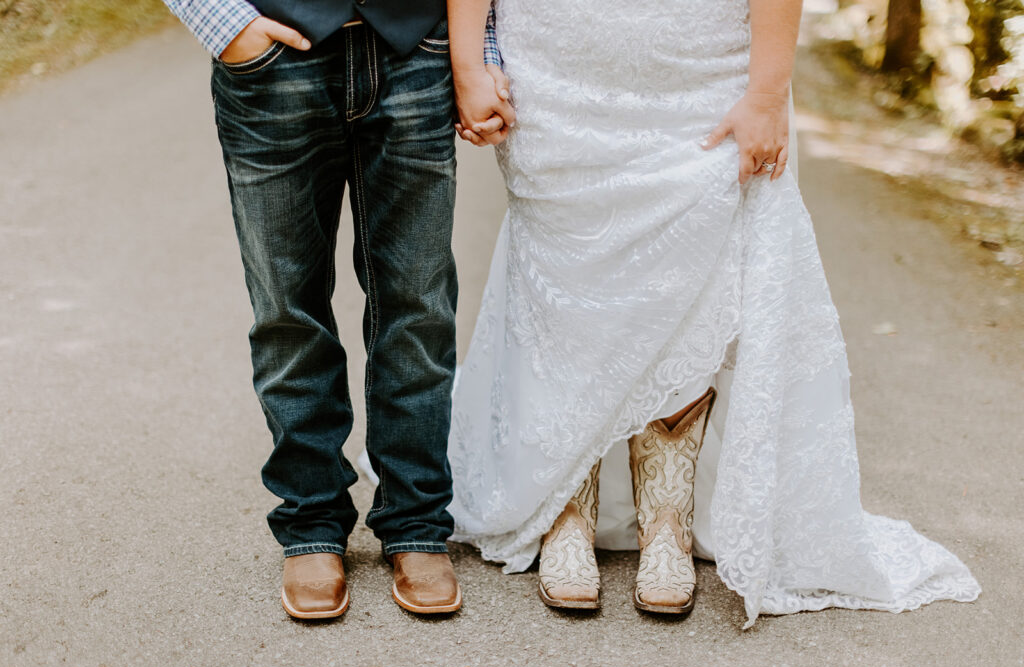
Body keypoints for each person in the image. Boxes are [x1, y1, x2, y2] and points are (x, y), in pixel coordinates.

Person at [446, 0, 982, 625]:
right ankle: (565, 509)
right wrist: (469, 63)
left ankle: (666, 521)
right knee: (565, 273)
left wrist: (767, 93)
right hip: (554, 67)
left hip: (699, 63)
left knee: (692, 271)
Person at [162, 0, 509, 619]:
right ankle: (311, 522)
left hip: (417, 52)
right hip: (272, 64)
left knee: (419, 309)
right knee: (287, 312)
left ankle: (416, 522)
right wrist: (225, 24)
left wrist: (476, 58)